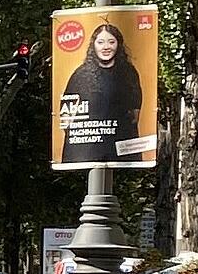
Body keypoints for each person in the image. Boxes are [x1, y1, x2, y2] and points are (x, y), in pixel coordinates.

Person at [58, 22, 145, 166]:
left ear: (119, 45)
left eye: (111, 42)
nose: (106, 47)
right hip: (86, 150)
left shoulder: (128, 73)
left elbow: (135, 115)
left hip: (120, 150)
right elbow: (65, 117)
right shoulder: (81, 75)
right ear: (94, 45)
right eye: (101, 42)